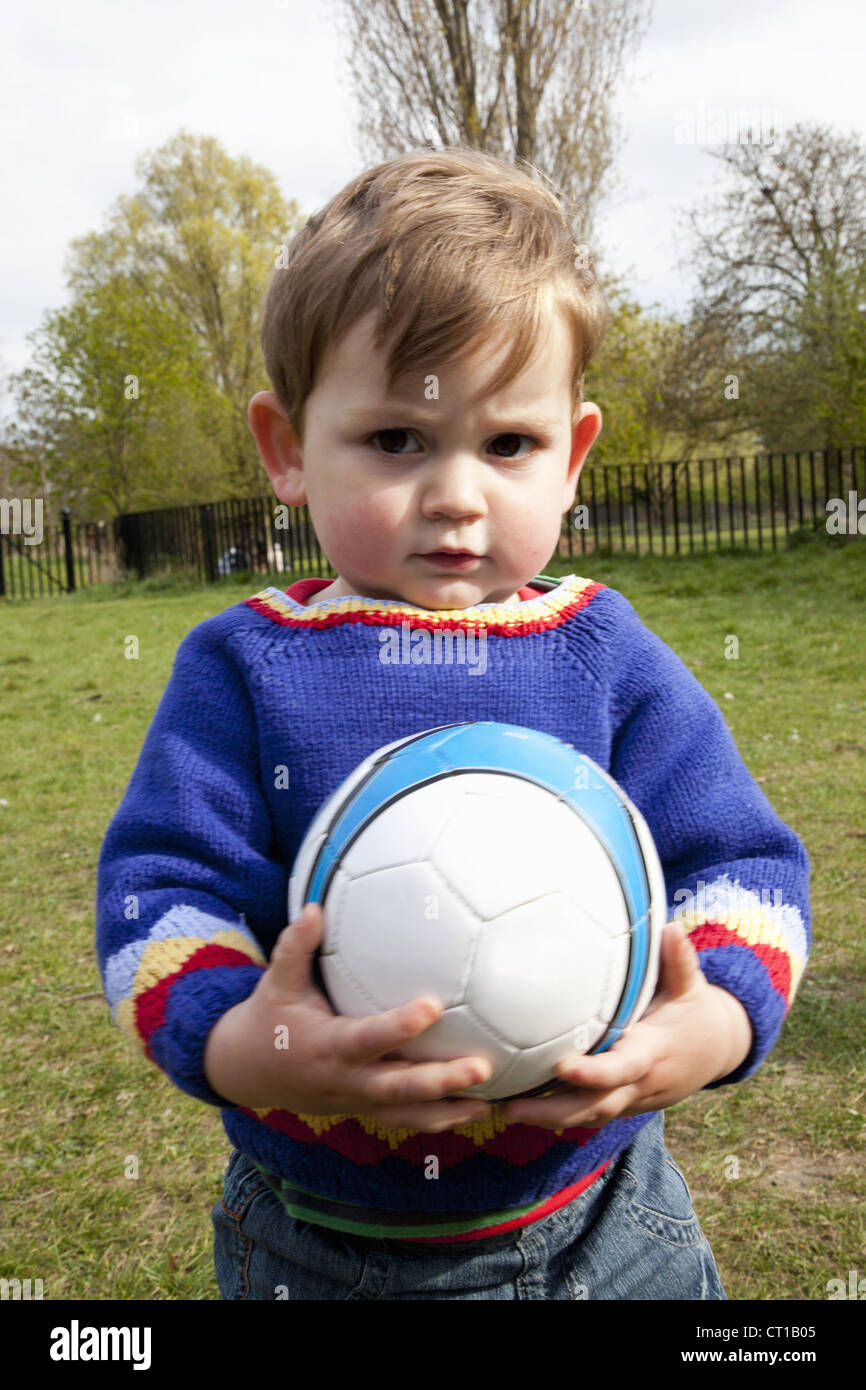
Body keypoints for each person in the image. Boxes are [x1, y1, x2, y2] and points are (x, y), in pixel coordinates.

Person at [95, 147, 810, 1300]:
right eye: (395, 441)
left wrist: (711, 1027)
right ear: (287, 449)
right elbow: (156, 894)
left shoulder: (603, 652)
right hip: (316, 1240)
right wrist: (254, 1042)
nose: (456, 495)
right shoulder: (245, 668)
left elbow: (744, 865)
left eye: (507, 444)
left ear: (572, 455)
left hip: (606, 1222)